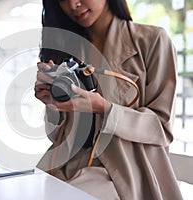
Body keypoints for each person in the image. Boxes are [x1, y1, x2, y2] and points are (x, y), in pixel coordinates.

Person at [34, 0, 183, 199]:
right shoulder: (67, 52)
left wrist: (105, 109)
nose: (73, 4)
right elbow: (56, 137)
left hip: (124, 174)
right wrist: (53, 104)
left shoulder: (152, 40)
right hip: (64, 168)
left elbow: (162, 128)